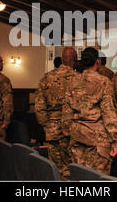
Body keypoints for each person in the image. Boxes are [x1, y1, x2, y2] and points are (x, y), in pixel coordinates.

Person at [63, 47, 117, 175]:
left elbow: (66, 110)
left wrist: (68, 132)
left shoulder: (72, 81)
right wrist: (114, 140)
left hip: (76, 135)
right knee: (97, 180)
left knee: (79, 177)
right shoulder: (104, 82)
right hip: (97, 140)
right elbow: (108, 112)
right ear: (98, 62)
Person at [35, 47, 78, 180]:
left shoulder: (47, 77)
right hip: (72, 130)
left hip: (52, 129)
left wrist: (46, 125)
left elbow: (39, 107)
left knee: (55, 167)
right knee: (72, 167)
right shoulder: (79, 79)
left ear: (63, 59)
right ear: (74, 60)